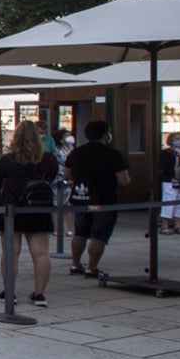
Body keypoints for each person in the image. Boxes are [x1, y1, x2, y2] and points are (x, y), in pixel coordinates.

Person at [0, 120, 57, 306]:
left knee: (10, 252)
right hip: (39, 209)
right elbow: (50, 180)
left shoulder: (8, 160)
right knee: (41, 254)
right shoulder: (50, 159)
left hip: (11, 209)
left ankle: (10, 292)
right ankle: (39, 295)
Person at [62, 120, 130, 279]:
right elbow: (124, 180)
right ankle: (92, 268)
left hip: (81, 197)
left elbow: (67, 175)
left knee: (80, 232)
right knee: (99, 236)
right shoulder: (113, 154)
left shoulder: (76, 153)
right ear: (106, 134)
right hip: (105, 200)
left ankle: (75, 264)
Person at [159, 132, 180, 234]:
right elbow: (165, 167)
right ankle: (165, 225)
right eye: (176, 138)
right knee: (169, 202)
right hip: (170, 181)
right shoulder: (166, 153)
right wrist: (176, 176)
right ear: (170, 141)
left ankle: (178, 225)